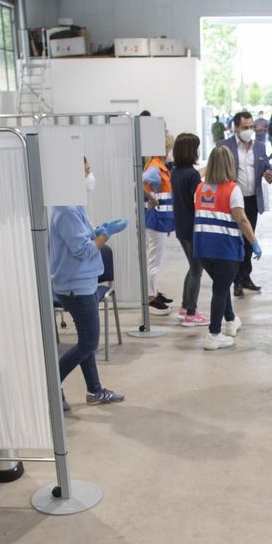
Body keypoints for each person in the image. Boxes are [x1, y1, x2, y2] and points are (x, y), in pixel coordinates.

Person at [50, 203, 127, 407]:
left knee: (86, 341)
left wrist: (96, 232)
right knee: (89, 343)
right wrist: (106, 234)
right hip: (76, 286)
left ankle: (94, 390)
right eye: (85, 170)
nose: (88, 174)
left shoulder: (74, 207)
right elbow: (83, 251)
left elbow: (82, 240)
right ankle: (50, 387)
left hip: (84, 281)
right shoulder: (65, 211)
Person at [193, 146, 263, 350]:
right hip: (225, 248)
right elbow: (241, 219)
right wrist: (254, 242)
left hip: (203, 247)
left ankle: (231, 321)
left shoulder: (200, 188)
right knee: (220, 289)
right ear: (230, 165)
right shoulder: (233, 189)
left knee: (221, 285)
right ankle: (213, 335)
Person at [230, 110, 272, 296]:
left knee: (249, 239)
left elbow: (268, 170)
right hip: (233, 201)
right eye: (245, 127)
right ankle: (236, 281)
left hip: (252, 200)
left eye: (251, 127)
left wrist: (269, 175)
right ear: (236, 127)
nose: (249, 130)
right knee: (236, 241)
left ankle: (246, 277)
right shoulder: (225, 147)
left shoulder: (259, 147)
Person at [169, 133, 209, 328]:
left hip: (181, 227)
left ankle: (185, 307)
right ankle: (191, 313)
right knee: (197, 271)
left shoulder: (176, 171)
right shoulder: (191, 175)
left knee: (192, 268)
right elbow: (199, 198)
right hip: (193, 228)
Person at [142, 135, 176, 314]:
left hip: (161, 220)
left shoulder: (159, 167)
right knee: (154, 261)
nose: (171, 153)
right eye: (169, 149)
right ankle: (150, 298)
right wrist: (150, 199)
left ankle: (153, 292)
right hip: (156, 220)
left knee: (155, 259)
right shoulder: (155, 168)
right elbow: (138, 183)